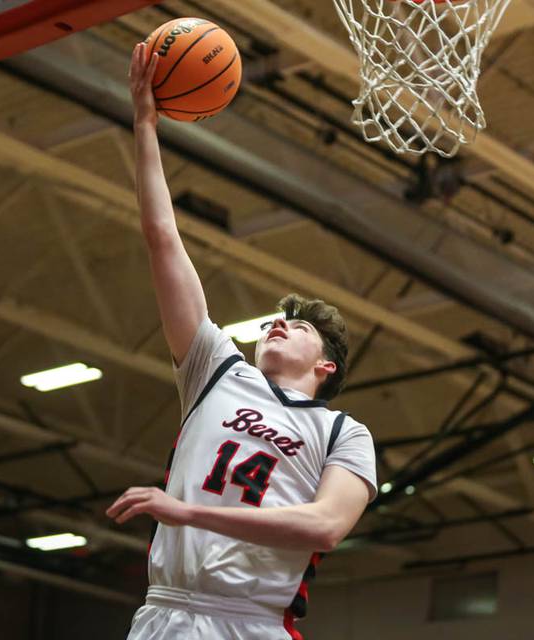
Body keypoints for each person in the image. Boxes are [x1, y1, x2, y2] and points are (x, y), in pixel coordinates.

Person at [105, 42, 377, 640]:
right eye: (272, 322)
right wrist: (145, 124)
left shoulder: (343, 433)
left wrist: (188, 512)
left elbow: (326, 526)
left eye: (297, 325)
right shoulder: (216, 371)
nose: (276, 326)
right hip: (164, 612)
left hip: (251, 624)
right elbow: (162, 238)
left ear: (327, 365)